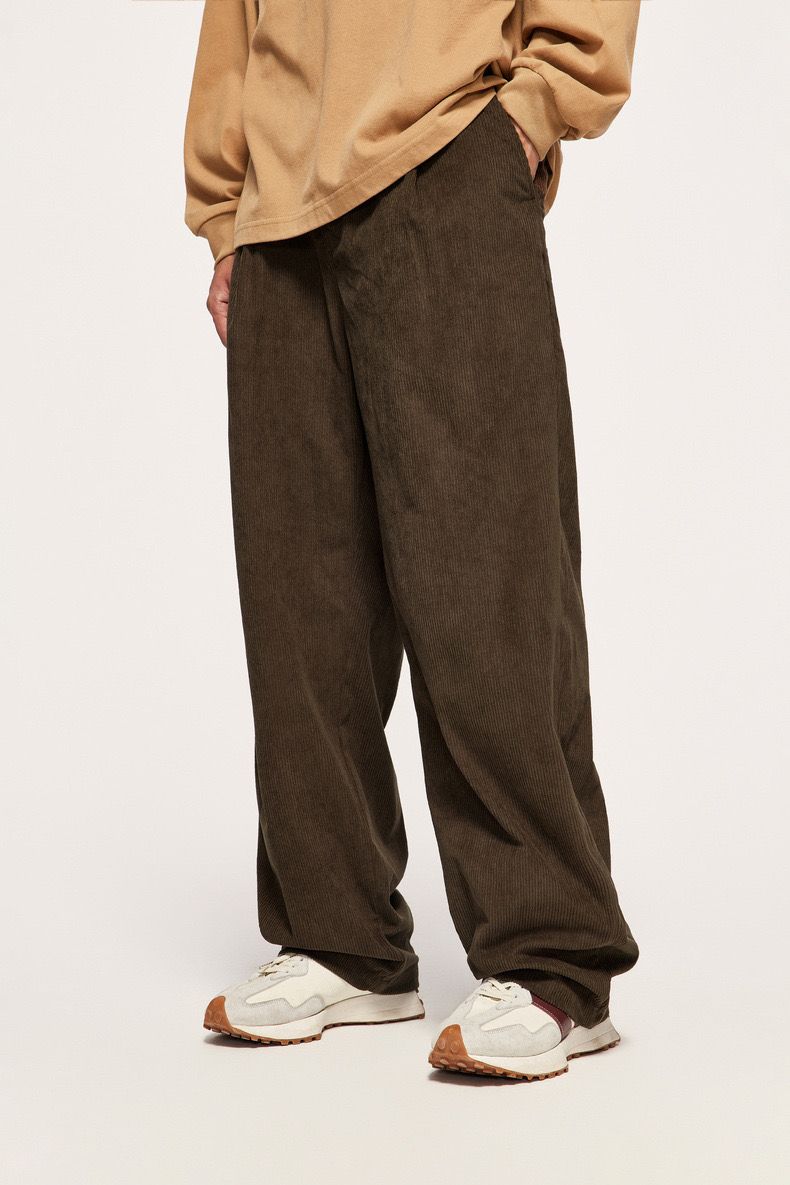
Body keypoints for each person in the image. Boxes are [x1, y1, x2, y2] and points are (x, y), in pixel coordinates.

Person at [184, 0, 641, 1081]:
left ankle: (553, 958)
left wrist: (529, 112)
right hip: (278, 204)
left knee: (485, 584)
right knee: (301, 604)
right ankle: (341, 939)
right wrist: (225, 208)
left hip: (446, 152)